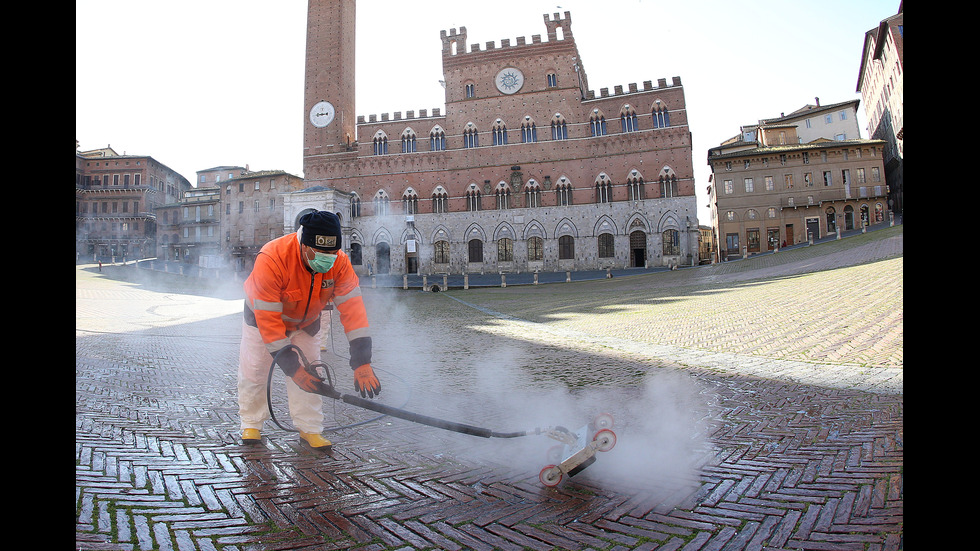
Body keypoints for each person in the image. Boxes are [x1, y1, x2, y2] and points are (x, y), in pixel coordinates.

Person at [237, 210, 381, 449]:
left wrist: (362, 361)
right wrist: (292, 368)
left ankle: (310, 428)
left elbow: (354, 310)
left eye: (332, 254)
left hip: (306, 322)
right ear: (303, 246)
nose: (327, 259)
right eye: (320, 253)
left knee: (311, 374)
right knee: (255, 371)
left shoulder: (339, 262)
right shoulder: (272, 257)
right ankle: (251, 423)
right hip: (261, 320)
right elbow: (270, 322)